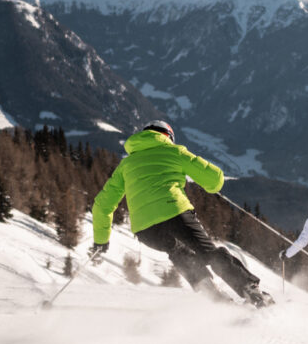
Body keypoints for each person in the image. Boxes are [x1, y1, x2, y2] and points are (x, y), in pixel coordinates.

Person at [91, 120, 274, 307]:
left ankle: (213, 296)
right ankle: (251, 291)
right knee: (208, 252)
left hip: (144, 229)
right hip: (175, 213)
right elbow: (215, 179)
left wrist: (101, 240)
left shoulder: (126, 165)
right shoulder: (174, 152)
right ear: (168, 136)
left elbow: (102, 205)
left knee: (178, 252)